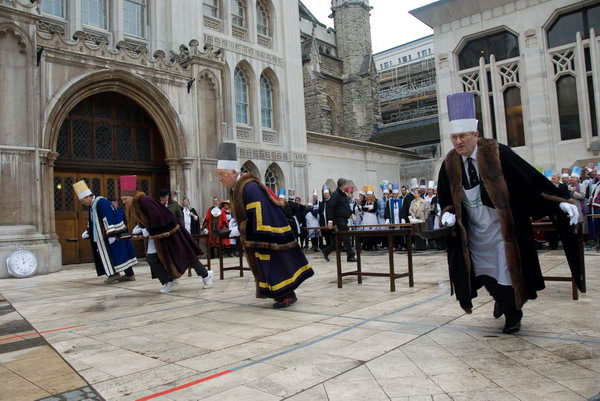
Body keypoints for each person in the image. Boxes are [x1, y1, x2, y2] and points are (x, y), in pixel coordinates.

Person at [437, 92, 582, 334]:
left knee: (507, 271)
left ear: (475, 135)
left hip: (502, 230)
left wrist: (560, 201)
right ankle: (501, 299)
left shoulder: (497, 152)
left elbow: (529, 179)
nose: (458, 142)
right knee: (481, 272)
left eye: (462, 136)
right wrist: (447, 212)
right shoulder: (450, 161)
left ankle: (513, 313)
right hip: (474, 232)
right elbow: (444, 195)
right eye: (454, 137)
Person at [215, 143, 314, 309]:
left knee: (276, 263)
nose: (220, 178)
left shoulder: (249, 188)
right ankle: (279, 294)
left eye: (222, 174)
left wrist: (234, 231)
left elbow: (258, 215)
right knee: (269, 264)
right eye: (219, 175)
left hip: (269, 232)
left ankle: (287, 295)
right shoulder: (237, 188)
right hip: (260, 232)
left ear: (233, 172)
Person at [120, 176, 214, 290]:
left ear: (131, 195)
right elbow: (147, 218)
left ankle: (206, 274)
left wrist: (147, 230)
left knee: (185, 255)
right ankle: (168, 281)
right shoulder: (136, 202)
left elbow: (157, 216)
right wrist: (140, 227)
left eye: (125, 199)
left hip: (168, 232)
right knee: (152, 258)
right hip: (157, 234)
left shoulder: (143, 200)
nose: (124, 202)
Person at [73, 180, 137, 284]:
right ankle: (129, 274)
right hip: (103, 235)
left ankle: (114, 275)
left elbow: (108, 216)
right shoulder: (93, 205)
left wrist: (111, 232)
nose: (83, 203)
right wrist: (88, 232)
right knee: (119, 253)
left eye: (83, 201)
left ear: (87, 197)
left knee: (117, 254)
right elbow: (93, 221)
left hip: (109, 234)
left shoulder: (101, 202)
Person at [322, 178, 357, 262]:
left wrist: (351, 213)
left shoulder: (342, 194)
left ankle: (326, 251)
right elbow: (330, 207)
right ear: (343, 185)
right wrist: (330, 220)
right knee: (346, 236)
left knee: (339, 238)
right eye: (346, 184)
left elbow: (345, 206)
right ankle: (350, 256)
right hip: (339, 219)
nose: (347, 186)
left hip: (344, 218)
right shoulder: (336, 194)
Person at [409, 184, 430, 251]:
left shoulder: (424, 201)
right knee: (416, 232)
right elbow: (410, 209)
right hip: (415, 219)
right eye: (414, 193)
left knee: (422, 232)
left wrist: (425, 217)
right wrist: (412, 215)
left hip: (422, 219)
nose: (414, 194)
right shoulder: (412, 202)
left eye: (416, 193)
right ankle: (417, 246)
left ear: (419, 194)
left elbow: (427, 210)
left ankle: (423, 246)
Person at [319, 185, 332, 250]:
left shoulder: (332, 201)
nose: (325, 195)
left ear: (329, 194)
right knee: (326, 234)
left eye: (326, 194)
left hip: (330, 221)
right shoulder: (322, 203)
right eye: (324, 194)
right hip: (323, 221)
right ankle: (328, 246)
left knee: (331, 234)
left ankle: (332, 247)